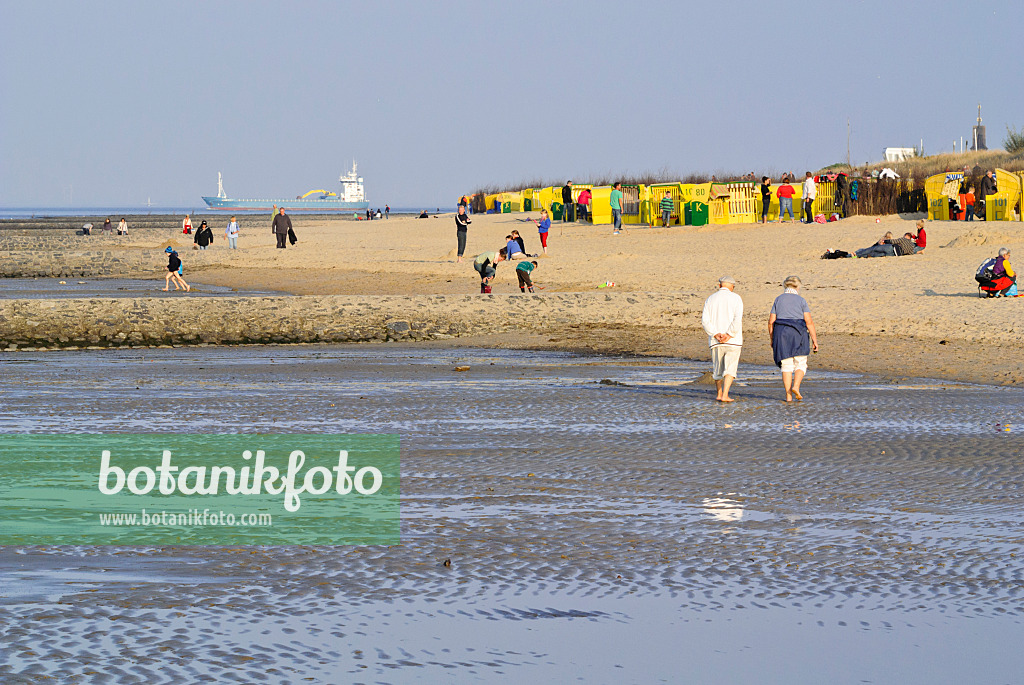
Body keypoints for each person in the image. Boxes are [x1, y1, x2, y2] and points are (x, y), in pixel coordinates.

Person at [768, 276, 819, 402]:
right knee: (800, 362)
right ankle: (796, 386)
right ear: (798, 287)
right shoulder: (801, 300)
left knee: (786, 365)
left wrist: (772, 338)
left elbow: (771, 321)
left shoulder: (778, 299)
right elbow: (809, 321)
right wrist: (814, 340)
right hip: (798, 332)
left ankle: (788, 396)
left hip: (781, 333)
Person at [701, 276, 743, 403]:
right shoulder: (736, 298)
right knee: (730, 368)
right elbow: (737, 319)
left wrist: (715, 334)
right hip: (733, 340)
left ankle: (719, 393)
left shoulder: (710, 299)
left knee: (718, 368)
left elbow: (705, 321)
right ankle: (725, 394)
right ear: (733, 287)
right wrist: (729, 334)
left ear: (720, 286)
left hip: (716, 341)